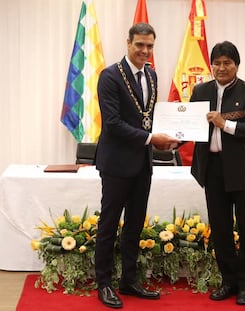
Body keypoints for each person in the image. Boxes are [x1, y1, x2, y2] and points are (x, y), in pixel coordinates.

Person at [94, 23, 180, 309]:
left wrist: (168, 138)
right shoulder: (109, 77)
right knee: (108, 225)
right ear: (128, 42)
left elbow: (150, 117)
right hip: (116, 164)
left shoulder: (152, 75)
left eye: (150, 46)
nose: (145, 51)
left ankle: (128, 280)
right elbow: (113, 124)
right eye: (140, 45)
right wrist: (150, 137)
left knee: (133, 226)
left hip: (143, 164)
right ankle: (104, 284)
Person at [190, 41, 245, 306]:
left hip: (242, 171)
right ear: (211, 65)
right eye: (217, 63)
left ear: (236, 64)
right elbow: (189, 126)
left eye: (227, 62)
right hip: (212, 170)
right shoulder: (200, 90)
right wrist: (172, 136)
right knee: (220, 231)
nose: (221, 68)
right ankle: (229, 282)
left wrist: (226, 124)